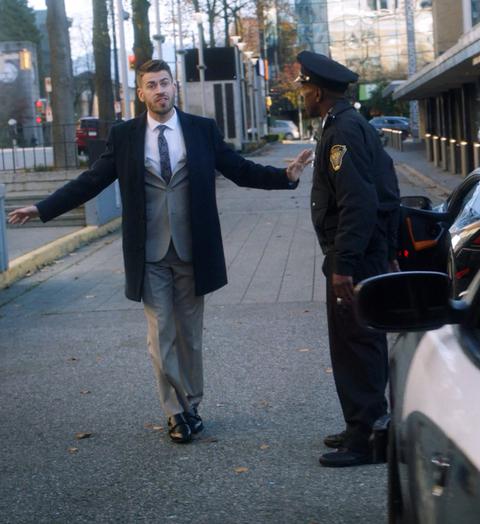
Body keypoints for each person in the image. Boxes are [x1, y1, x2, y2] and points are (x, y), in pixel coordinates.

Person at [6, 59, 311, 445]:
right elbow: (92, 181)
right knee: (159, 335)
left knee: (190, 336)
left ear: (175, 87)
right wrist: (43, 208)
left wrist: (284, 177)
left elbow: (238, 168)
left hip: (193, 250)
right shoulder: (125, 135)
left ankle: (192, 404)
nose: (160, 90)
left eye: (164, 83)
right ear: (140, 93)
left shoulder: (201, 131)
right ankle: (175, 412)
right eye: (151, 85)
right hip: (148, 253)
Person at [295, 51, 400, 467]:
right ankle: (362, 424)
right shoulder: (348, 125)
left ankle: (367, 439)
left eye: (304, 87)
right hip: (365, 253)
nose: (301, 93)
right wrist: (386, 252)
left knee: (356, 344)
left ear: (317, 91)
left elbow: (359, 202)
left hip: (354, 256)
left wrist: (345, 265)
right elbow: (387, 188)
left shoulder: (342, 132)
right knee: (357, 342)